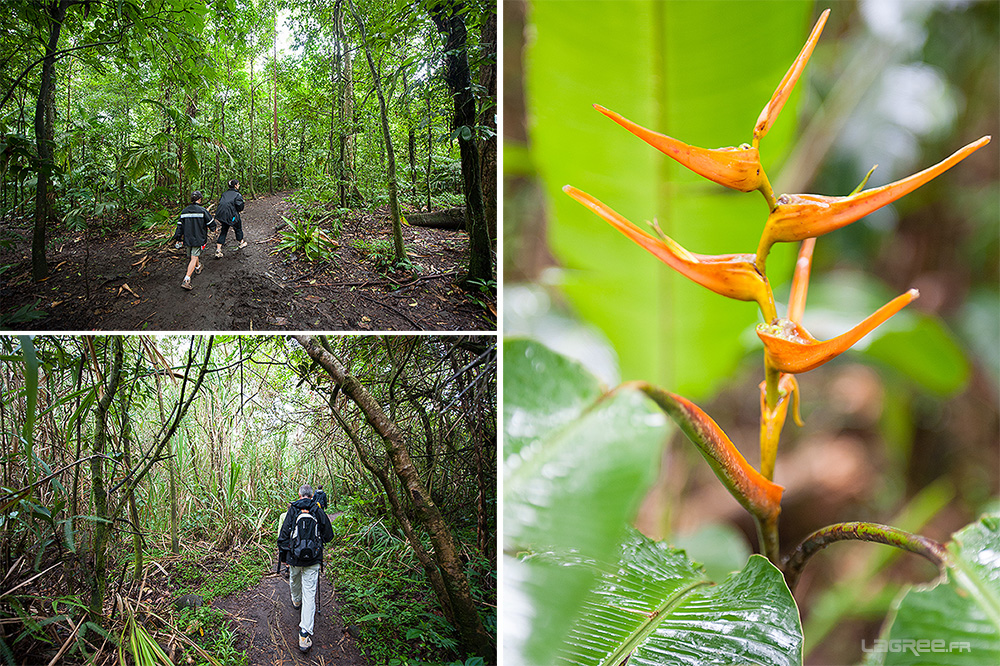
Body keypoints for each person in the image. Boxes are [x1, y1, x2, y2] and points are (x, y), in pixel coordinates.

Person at [277, 484, 333, 653]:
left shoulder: (292, 511)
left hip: (294, 558)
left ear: (299, 494)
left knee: (294, 580)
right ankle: (304, 634)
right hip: (314, 559)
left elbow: (283, 538)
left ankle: (295, 600)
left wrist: (286, 556)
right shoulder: (318, 511)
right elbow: (329, 536)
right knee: (310, 592)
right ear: (311, 496)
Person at [172, 191, 216, 291]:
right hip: (198, 238)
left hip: (187, 239)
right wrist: (213, 228)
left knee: (193, 255)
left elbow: (179, 226)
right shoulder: (202, 210)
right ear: (199, 199)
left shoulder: (184, 211)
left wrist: (178, 238)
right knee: (194, 257)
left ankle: (198, 266)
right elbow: (211, 222)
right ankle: (186, 279)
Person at [214, 179, 246, 258]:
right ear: (235, 186)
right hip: (231, 216)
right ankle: (241, 242)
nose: (238, 186)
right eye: (238, 184)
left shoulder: (224, 194)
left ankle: (218, 249)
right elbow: (240, 206)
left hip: (222, 216)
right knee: (238, 227)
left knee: (224, 230)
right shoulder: (237, 195)